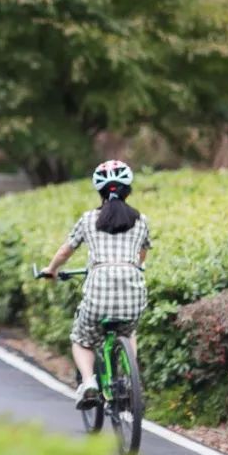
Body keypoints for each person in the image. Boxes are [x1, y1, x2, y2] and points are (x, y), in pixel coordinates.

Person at [40, 159, 150, 409]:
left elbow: (66, 251)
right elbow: (142, 255)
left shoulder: (89, 219)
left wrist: (51, 269)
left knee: (81, 339)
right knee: (128, 330)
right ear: (128, 189)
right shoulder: (141, 220)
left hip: (99, 287)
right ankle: (131, 379)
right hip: (133, 289)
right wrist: (137, 266)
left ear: (100, 191)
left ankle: (89, 383)